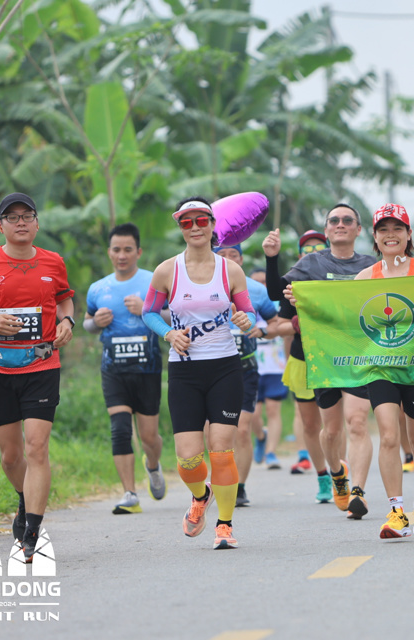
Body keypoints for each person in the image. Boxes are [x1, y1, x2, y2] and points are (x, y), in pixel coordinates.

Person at [0, 192, 75, 562]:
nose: (20, 222)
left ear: (37, 223)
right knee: (11, 457)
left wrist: (67, 319)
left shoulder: (54, 262)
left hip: (42, 366)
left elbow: (65, 298)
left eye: (27, 216)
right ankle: (25, 497)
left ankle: (31, 534)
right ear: (1, 226)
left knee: (37, 447)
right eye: (12, 217)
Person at [141, 196, 256, 550]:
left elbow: (250, 316)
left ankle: (224, 524)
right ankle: (200, 495)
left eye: (201, 221)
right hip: (185, 373)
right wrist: (168, 333)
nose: (195, 228)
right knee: (189, 460)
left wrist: (244, 320)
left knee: (221, 450)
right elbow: (149, 313)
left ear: (212, 225)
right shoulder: (166, 270)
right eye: (186, 222)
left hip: (224, 368)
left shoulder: (230, 270)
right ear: (180, 227)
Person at [279, 206, 378, 519]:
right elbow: (277, 297)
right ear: (327, 228)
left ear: (358, 229)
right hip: (323, 357)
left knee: (358, 421)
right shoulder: (311, 264)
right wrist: (290, 294)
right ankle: (337, 474)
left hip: (361, 356)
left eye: (347, 220)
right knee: (331, 431)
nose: (340, 225)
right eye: (334, 220)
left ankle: (358, 491)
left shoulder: (371, 265)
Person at [354, 204, 414, 538]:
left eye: (397, 229)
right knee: (389, 435)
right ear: (375, 237)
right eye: (384, 230)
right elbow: (346, 318)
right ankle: (397, 512)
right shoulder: (365, 277)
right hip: (381, 368)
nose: (391, 235)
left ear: (408, 235)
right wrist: (301, 299)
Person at [84, 223, 167, 515]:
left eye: (128, 249)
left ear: (138, 252)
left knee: (148, 437)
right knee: (119, 431)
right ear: (109, 252)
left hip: (147, 368)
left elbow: (173, 315)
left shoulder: (153, 282)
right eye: (116, 249)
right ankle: (129, 494)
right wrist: (97, 323)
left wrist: (146, 308)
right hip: (113, 369)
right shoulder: (99, 288)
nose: (122, 255)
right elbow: (87, 322)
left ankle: (153, 466)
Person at [262, 229, 331, 500]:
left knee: (337, 425)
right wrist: (296, 324)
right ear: (300, 256)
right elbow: (277, 325)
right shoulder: (294, 286)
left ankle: (342, 473)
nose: (313, 254)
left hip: (335, 362)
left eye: (318, 248)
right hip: (303, 362)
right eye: (307, 250)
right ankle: (323, 476)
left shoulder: (342, 283)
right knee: (311, 426)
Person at [212, 245, 280, 508]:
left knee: (241, 430)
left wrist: (261, 331)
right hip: (211, 368)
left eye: (234, 255)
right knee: (214, 433)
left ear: (241, 258)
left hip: (246, 368)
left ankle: (239, 488)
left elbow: (276, 323)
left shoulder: (256, 289)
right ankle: (218, 482)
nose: (229, 260)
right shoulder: (199, 285)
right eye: (222, 255)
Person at [248, 267, 294, 472]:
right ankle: (261, 437)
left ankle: (271, 453)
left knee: (273, 410)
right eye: (255, 282)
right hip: (252, 365)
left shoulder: (277, 304)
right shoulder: (244, 304)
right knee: (253, 415)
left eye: (264, 281)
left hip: (276, 365)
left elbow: (283, 331)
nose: (260, 286)